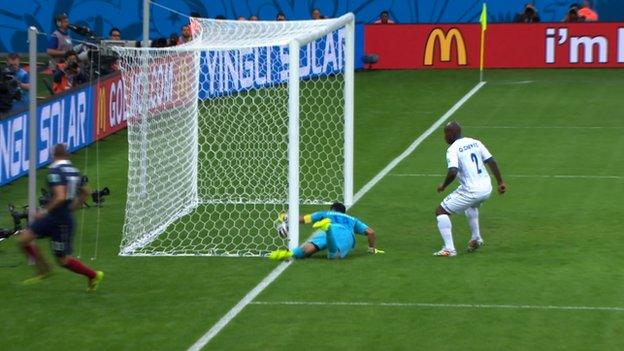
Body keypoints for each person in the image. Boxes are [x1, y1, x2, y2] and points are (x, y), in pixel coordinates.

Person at [17, 144, 104, 291]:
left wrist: (43, 212)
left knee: (63, 260)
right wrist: (74, 206)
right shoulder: (74, 171)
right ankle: (44, 271)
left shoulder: (54, 172)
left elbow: (60, 197)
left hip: (60, 221)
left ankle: (93, 275)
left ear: (53, 155)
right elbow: (86, 192)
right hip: (57, 217)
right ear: (67, 155)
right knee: (24, 239)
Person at [433, 122, 506, 257]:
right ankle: (476, 238)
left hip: (472, 191)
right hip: (486, 187)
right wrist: (500, 182)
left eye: (445, 133)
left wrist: (443, 186)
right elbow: (491, 161)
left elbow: (453, 171)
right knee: (471, 206)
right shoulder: (475, 142)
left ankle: (449, 249)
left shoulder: (453, 149)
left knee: (441, 211)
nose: (444, 137)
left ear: (450, 134)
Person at [269, 202, 383, 260]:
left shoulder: (325, 213)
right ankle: (327, 229)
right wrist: (371, 248)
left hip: (324, 231)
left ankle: (289, 253)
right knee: (334, 256)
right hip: (344, 234)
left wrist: (286, 217)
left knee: (306, 251)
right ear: (344, 212)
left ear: (331, 209)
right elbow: (370, 232)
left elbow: (303, 219)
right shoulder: (352, 219)